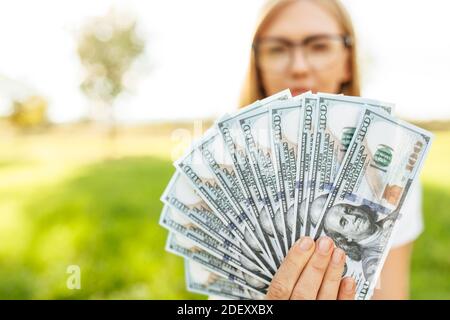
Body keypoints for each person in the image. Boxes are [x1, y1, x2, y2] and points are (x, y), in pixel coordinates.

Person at [239, 0, 424, 299]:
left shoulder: (390, 170)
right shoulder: (224, 161)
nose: (298, 66)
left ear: (348, 60)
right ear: (257, 64)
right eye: (277, 48)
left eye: (319, 46)